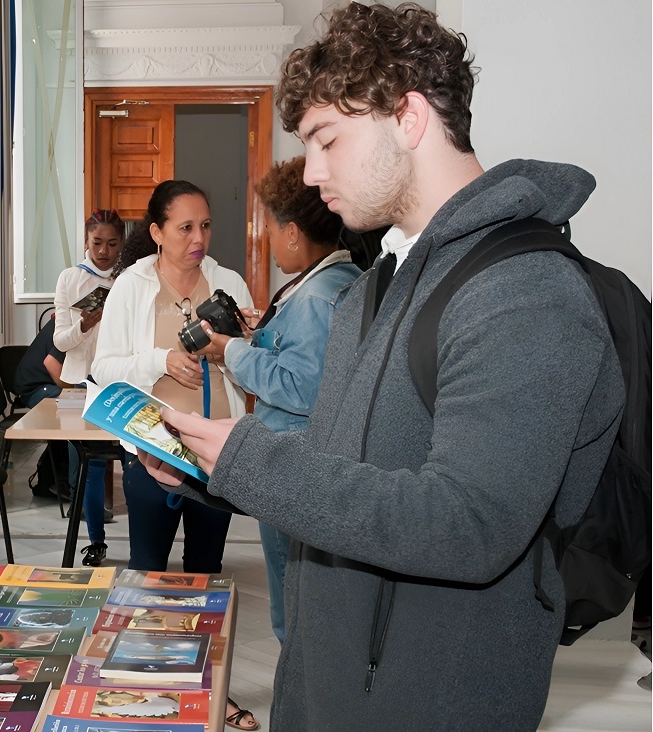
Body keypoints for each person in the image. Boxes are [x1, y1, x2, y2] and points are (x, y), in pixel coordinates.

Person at [140, 4, 624, 729]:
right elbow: (347, 464)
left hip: (426, 700)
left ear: (409, 116)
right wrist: (220, 472)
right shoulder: (378, 284)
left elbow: (469, 525)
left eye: (328, 139)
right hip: (328, 678)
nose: (314, 171)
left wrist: (256, 463)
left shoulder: (525, 292)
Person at [91, 179, 259, 731]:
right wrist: (161, 359)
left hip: (214, 453)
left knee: (208, 577)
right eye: (185, 227)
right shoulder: (132, 286)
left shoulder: (228, 283)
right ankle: (145, 688)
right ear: (157, 232)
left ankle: (210, 693)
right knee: (148, 573)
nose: (198, 238)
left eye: (206, 225)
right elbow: (106, 367)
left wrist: (245, 343)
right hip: (152, 454)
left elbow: (250, 365)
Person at [191, 155, 360, 645]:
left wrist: (233, 349)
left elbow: (299, 389)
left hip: (292, 456)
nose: (266, 240)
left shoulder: (313, 299)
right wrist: (260, 334)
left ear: (291, 233)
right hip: (318, 456)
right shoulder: (335, 281)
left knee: (292, 591)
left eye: (269, 229)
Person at [53, 208, 125, 567]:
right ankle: (96, 540)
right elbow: (61, 341)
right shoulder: (70, 279)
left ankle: (145, 542)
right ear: (86, 241)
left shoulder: (131, 278)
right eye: (97, 243)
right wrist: (85, 325)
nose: (103, 251)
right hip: (80, 383)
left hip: (121, 381)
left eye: (112, 244)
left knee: (132, 460)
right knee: (88, 467)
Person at [11, 318, 68, 409]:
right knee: (75, 400)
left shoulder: (62, 323)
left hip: (41, 385)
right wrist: (74, 389)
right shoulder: (65, 329)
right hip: (34, 391)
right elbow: (51, 364)